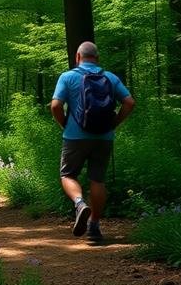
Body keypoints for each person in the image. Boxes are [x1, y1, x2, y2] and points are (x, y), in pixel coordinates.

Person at [51, 41, 135, 241]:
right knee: (98, 180)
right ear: (97, 58)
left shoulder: (68, 76)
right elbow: (129, 102)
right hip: (103, 137)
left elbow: (55, 105)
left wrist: (65, 124)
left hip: (74, 136)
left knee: (68, 174)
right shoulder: (110, 78)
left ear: (77, 58)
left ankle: (80, 204)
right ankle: (94, 228)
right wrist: (114, 123)